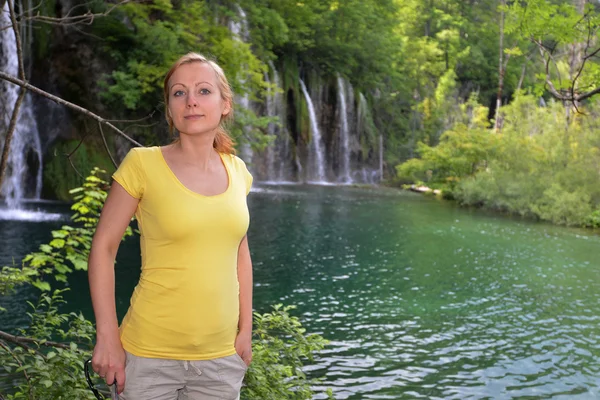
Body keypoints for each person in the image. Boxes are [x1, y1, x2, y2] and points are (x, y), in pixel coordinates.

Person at [88, 52, 254, 400]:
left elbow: (240, 254)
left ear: (225, 104)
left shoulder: (238, 171)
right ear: (170, 109)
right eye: (179, 93)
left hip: (221, 360)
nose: (191, 101)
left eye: (203, 91)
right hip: (148, 356)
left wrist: (245, 330)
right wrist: (108, 336)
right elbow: (103, 249)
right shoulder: (142, 165)